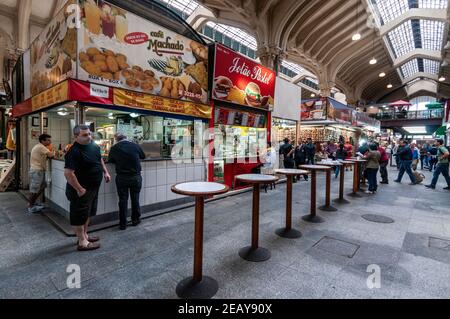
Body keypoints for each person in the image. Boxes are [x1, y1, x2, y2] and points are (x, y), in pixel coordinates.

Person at [64, 125, 111, 251]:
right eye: (85, 135)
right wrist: (79, 189)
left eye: (89, 134)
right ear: (76, 136)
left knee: (88, 212)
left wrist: (105, 172)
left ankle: (85, 235)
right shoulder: (73, 151)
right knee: (79, 214)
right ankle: (82, 242)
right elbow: (68, 173)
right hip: (80, 190)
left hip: (93, 187)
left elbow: (99, 159)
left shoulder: (93, 146)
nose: (89, 137)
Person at [108, 132, 146, 230]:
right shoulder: (135, 146)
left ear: (116, 139)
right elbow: (143, 156)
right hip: (135, 177)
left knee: (122, 200)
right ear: (126, 137)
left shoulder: (114, 148)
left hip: (122, 178)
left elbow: (110, 160)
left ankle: (123, 224)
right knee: (135, 198)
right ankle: (135, 220)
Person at [27, 134, 54, 214]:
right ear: (43, 141)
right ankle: (30, 206)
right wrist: (52, 151)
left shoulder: (39, 146)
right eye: (48, 140)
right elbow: (51, 155)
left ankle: (32, 202)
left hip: (37, 170)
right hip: (37, 171)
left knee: (43, 186)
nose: (50, 141)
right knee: (34, 190)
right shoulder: (41, 147)